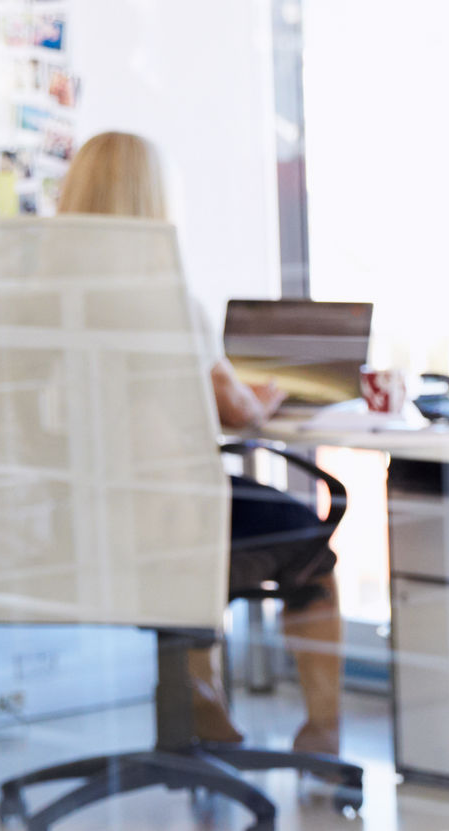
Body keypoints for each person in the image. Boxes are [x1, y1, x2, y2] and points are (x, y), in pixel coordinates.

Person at [56, 131, 347, 756]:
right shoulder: (166, 303)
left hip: (76, 527)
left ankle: (204, 696)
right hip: (168, 523)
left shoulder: (42, 308)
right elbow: (236, 409)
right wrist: (272, 390)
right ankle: (323, 731)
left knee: (192, 509)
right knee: (307, 542)